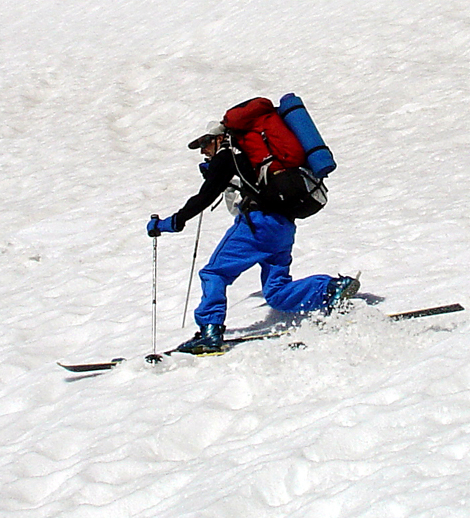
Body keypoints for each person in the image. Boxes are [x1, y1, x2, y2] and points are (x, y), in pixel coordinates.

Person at [147, 120, 359, 355]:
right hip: (283, 226)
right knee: (277, 291)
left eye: (205, 143)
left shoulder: (228, 155)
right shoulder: (252, 155)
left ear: (220, 138)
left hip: (256, 224)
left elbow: (204, 197)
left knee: (214, 273)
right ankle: (331, 289)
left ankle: (210, 332)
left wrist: (172, 223)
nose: (202, 150)